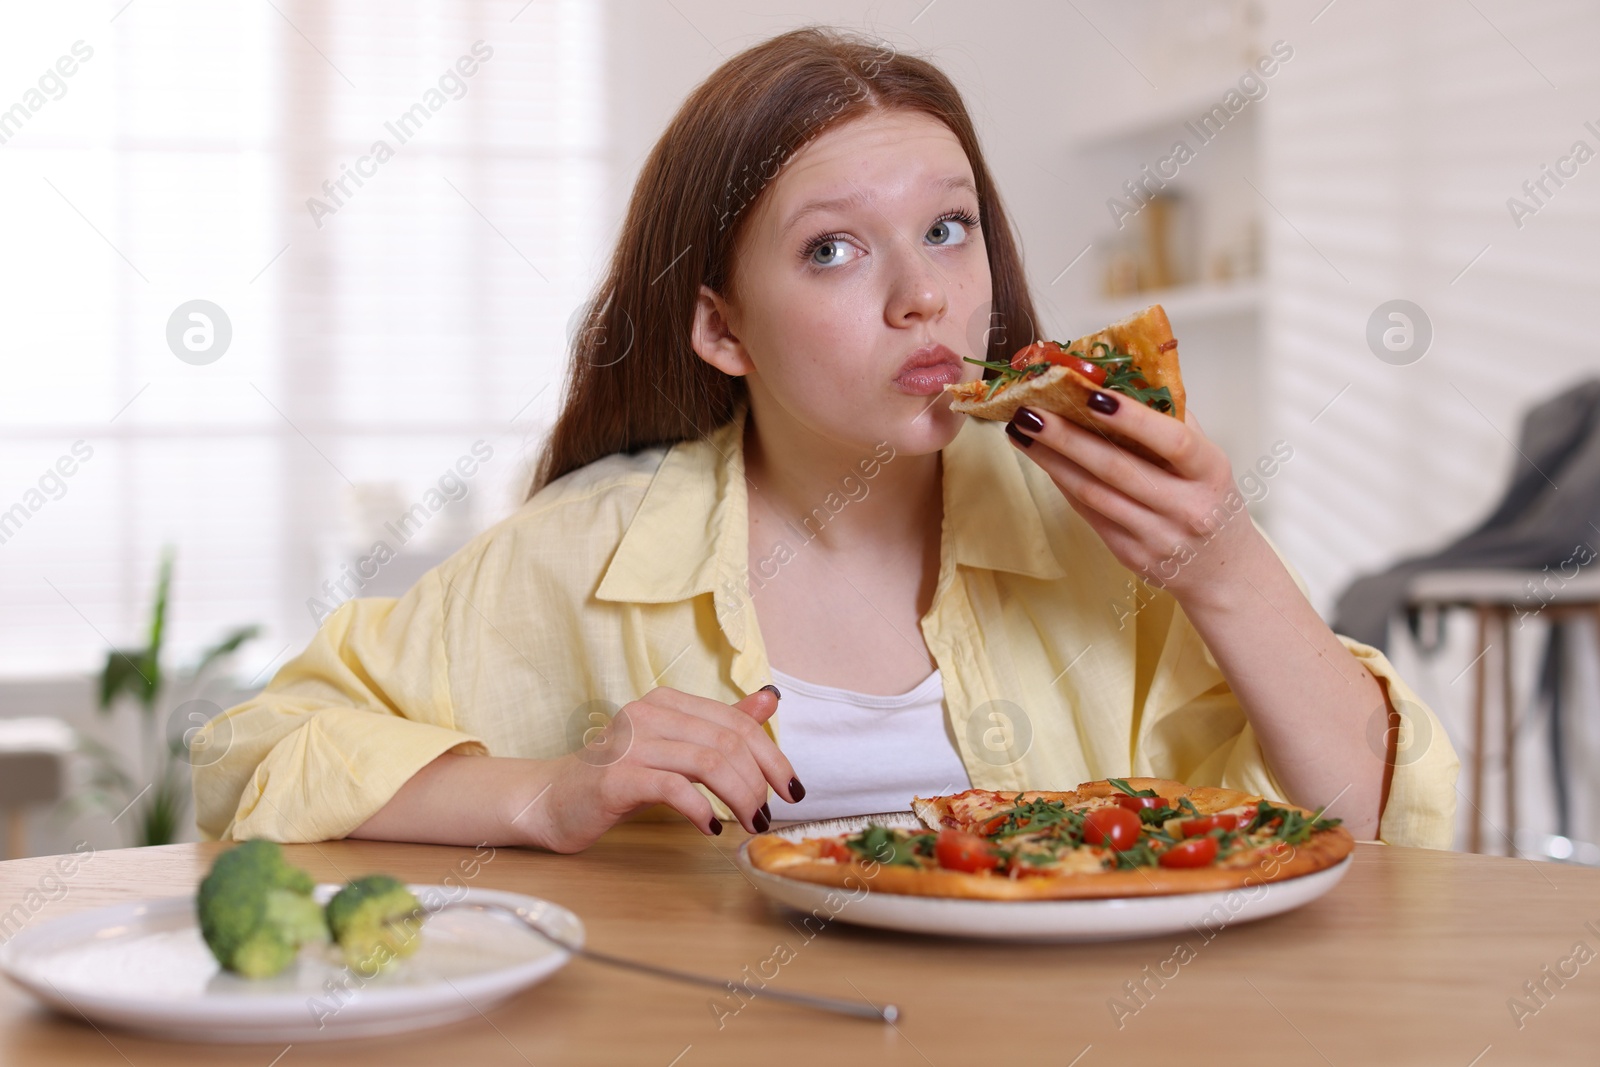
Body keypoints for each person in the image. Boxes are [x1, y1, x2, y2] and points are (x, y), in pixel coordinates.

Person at [194, 26, 1458, 852]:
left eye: (949, 229)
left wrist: (1226, 569)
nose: (922, 296)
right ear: (722, 328)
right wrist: (547, 792)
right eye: (832, 248)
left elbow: (1375, 831)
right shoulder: (584, 550)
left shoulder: (1099, 539)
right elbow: (252, 758)